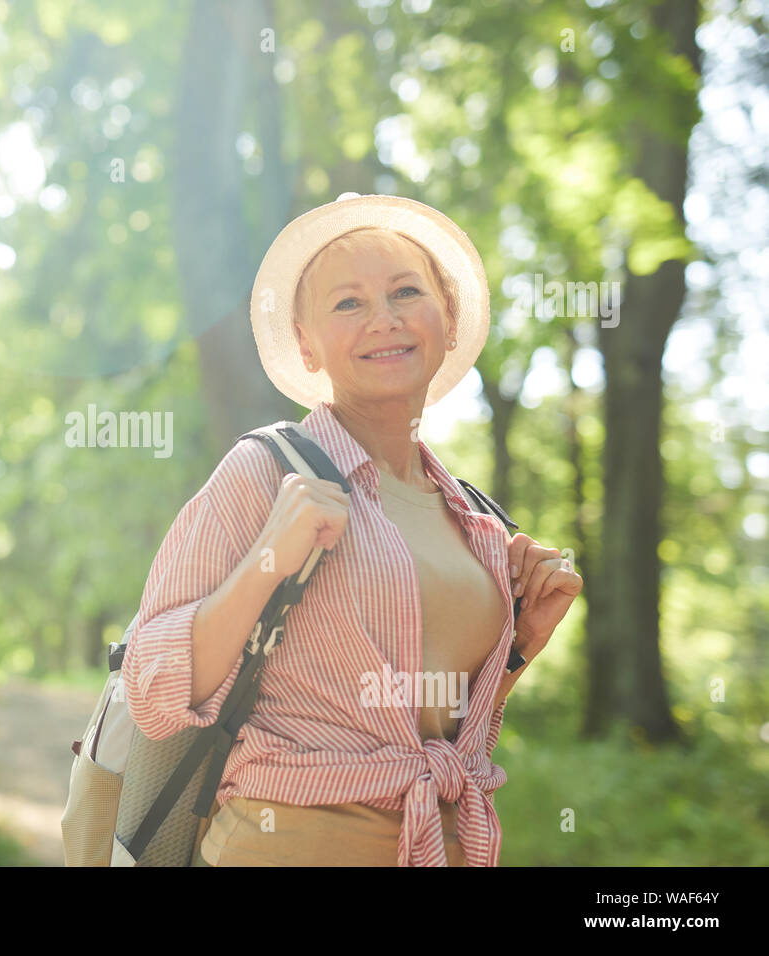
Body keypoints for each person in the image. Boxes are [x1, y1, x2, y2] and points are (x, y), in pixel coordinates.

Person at [120, 194, 583, 866]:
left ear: (447, 320)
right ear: (306, 343)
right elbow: (153, 691)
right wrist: (268, 562)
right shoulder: (264, 472)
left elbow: (427, 731)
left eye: (405, 292)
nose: (384, 320)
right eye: (348, 303)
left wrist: (519, 648)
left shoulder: (477, 522)